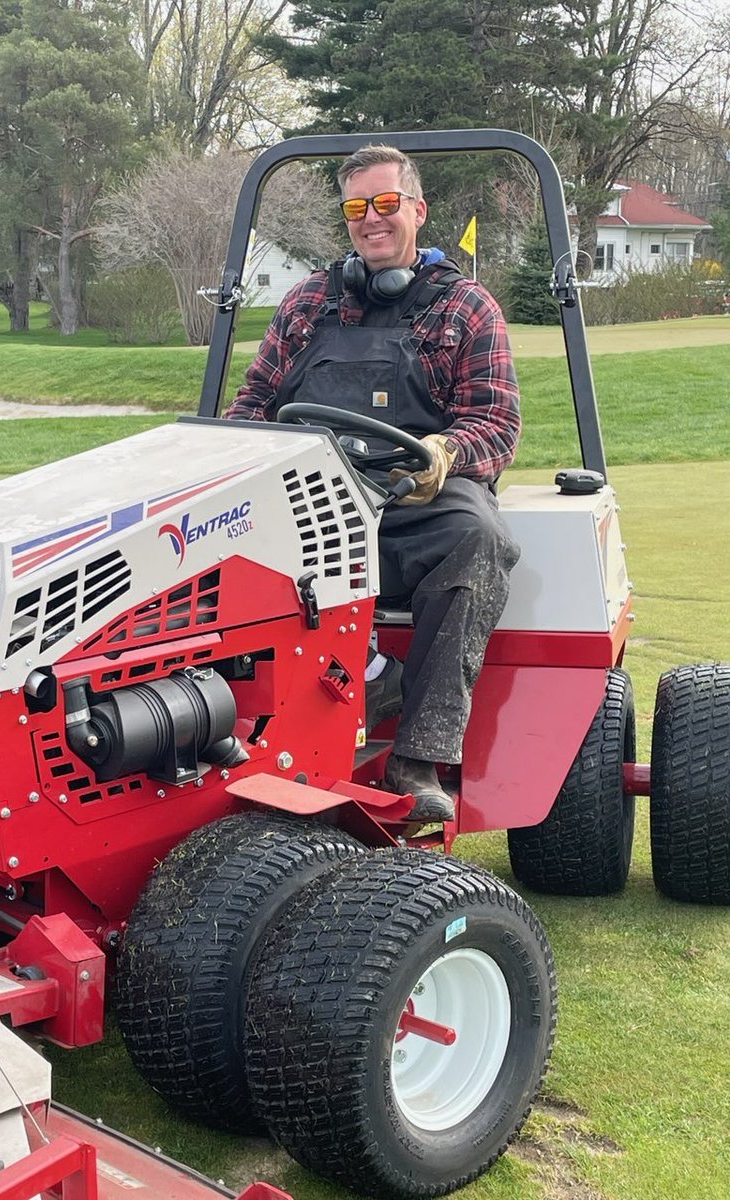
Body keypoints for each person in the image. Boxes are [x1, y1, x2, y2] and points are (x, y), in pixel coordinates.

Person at [224, 145, 521, 822]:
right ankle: (243, 736)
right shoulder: (308, 303)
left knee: (475, 539)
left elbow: (496, 421)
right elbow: (251, 407)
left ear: (416, 209)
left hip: (417, 502)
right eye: (357, 207)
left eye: (386, 204)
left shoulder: (465, 308)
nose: (371, 219)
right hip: (313, 497)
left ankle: (419, 759)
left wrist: (442, 454)